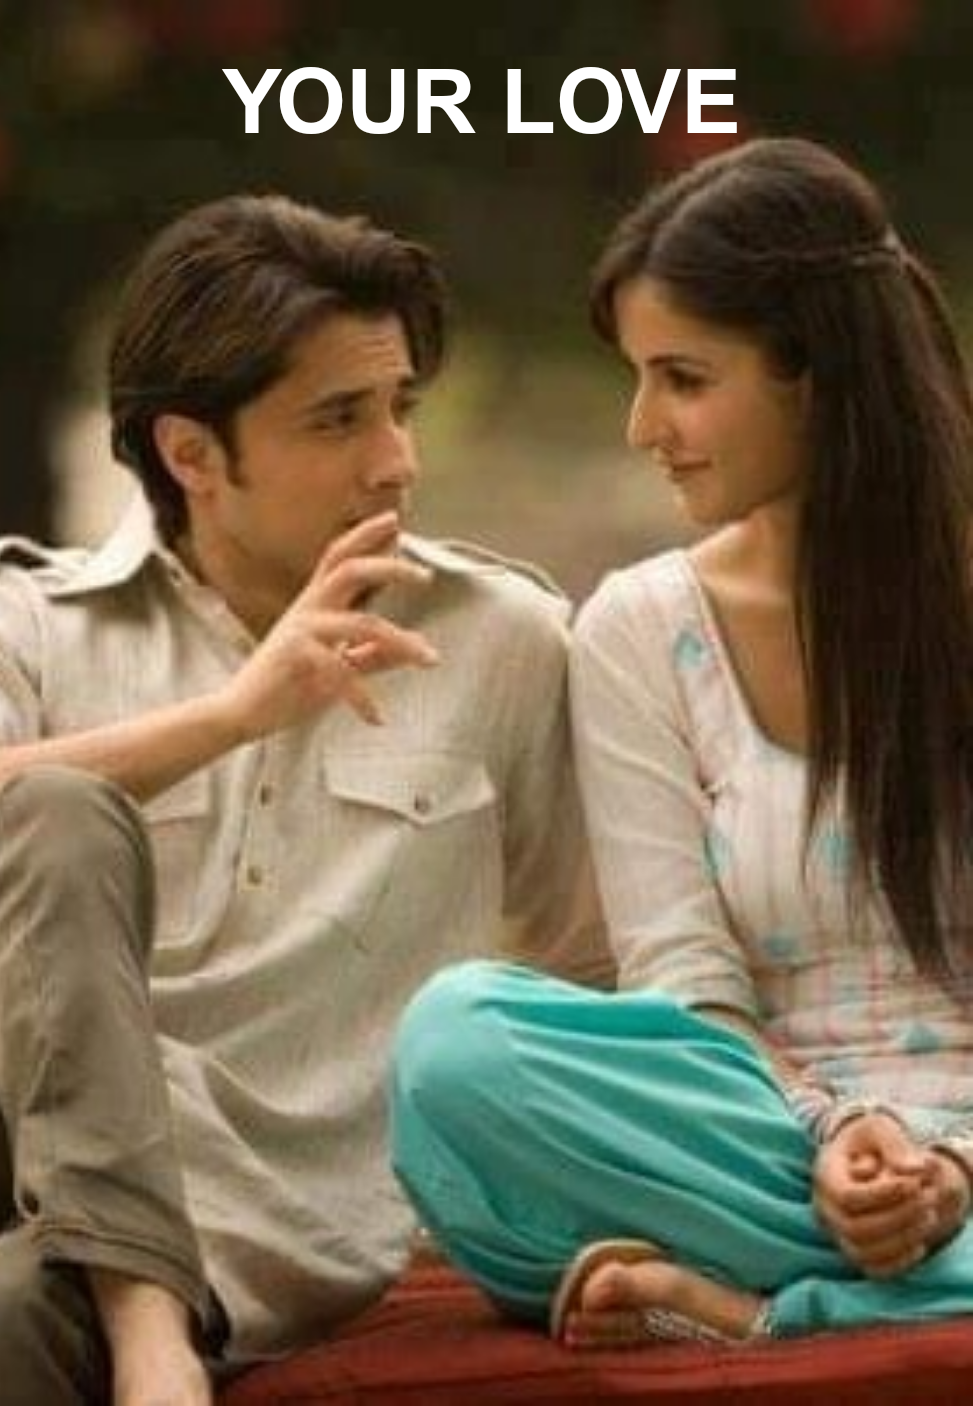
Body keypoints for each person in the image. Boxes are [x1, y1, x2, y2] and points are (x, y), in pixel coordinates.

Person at [0, 193, 612, 1405]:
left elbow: (592, 968)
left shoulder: (506, 641)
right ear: (190, 453)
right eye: (339, 418)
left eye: (399, 407)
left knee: (10, 1320)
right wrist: (232, 715)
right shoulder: (29, 623)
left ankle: (140, 1303)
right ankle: (146, 1324)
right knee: (55, 810)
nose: (397, 460)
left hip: (260, 1233)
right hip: (10, 1148)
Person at [390, 136, 973, 1351]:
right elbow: (683, 980)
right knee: (457, 1045)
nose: (643, 425)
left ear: (817, 371)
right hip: (762, 1134)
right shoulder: (643, 628)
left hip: (955, 1162)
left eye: (684, 378)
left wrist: (947, 1166)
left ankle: (760, 1307)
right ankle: (869, 1276)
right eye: (639, 378)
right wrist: (834, 1133)